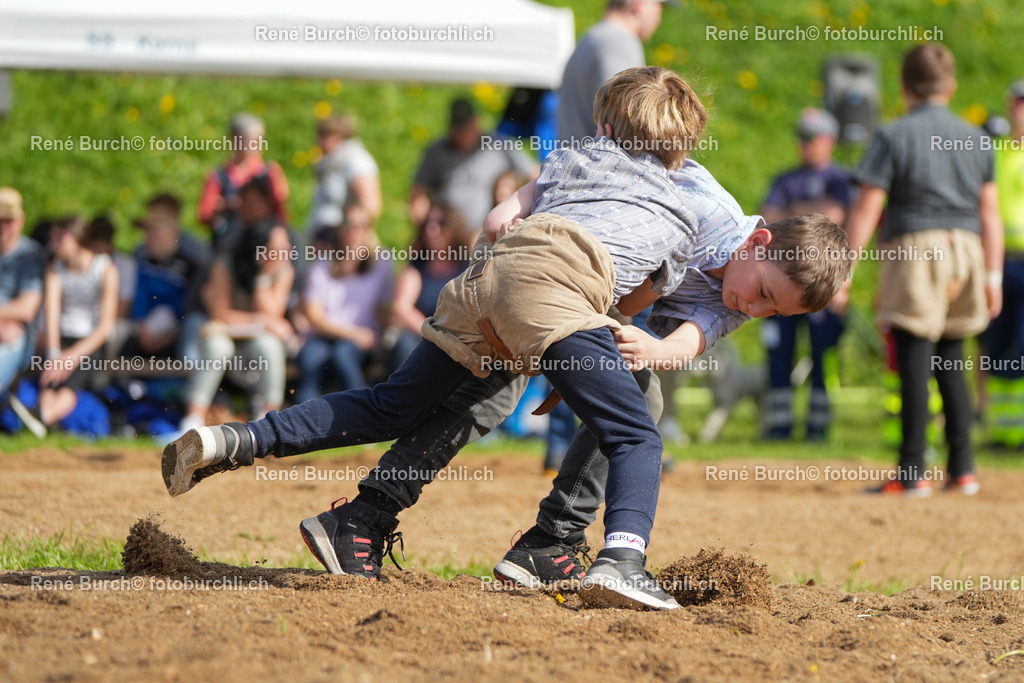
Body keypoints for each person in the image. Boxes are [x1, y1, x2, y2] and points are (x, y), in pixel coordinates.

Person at [164, 67, 851, 611]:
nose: (750, 307)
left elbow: (683, 328)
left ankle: (262, 457)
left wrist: (583, 349)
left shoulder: (601, 168)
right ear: (757, 241)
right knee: (636, 424)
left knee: (400, 401)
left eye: (769, 312)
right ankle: (599, 553)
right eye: (760, 292)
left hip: (501, 280)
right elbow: (625, 279)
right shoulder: (693, 202)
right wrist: (579, 350)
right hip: (562, 288)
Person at [836, 44, 1004, 497]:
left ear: (904, 87)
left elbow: (869, 206)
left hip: (915, 250)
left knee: (913, 361)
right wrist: (992, 274)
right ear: (950, 87)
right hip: (967, 249)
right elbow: (990, 213)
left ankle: (912, 474)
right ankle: (963, 470)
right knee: (953, 359)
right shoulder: (976, 137)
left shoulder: (894, 135)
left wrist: (845, 270)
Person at [761, 108, 856, 441]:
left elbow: (846, 219)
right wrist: (816, 213)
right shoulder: (784, 180)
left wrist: (793, 214)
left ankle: (819, 425)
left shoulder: (843, 180)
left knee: (822, 354)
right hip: (781, 283)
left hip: (824, 285)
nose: (804, 144)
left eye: (811, 138)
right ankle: (779, 424)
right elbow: (769, 218)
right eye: (800, 137)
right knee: (779, 353)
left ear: (829, 141)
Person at [177, 220, 295, 431]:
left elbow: (275, 313)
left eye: (286, 247)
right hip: (223, 332)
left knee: (268, 346)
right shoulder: (225, 264)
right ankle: (193, 418)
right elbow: (220, 314)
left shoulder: (283, 270)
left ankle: (269, 419)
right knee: (218, 347)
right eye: (278, 248)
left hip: (254, 340)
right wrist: (262, 321)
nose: (285, 252)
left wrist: (262, 278)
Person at [296, 206, 392, 403]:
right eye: (349, 224)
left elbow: (383, 309)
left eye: (361, 226)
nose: (354, 231)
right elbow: (314, 316)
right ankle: (304, 422)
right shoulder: (322, 264)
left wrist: (381, 342)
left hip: (362, 340)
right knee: (312, 360)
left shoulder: (381, 263)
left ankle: (365, 412)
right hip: (326, 336)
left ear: (368, 230)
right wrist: (353, 333)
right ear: (339, 228)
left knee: (343, 356)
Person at [35, 216, 119, 431]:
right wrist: (54, 354)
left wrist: (72, 357)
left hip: (90, 342)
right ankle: (43, 418)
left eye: (59, 239)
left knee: (71, 384)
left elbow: (105, 327)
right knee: (50, 379)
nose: (54, 245)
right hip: (62, 337)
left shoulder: (105, 269)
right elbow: (51, 315)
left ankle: (42, 418)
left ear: (77, 238)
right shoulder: (55, 268)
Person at [409, 97, 538, 230]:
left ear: (477, 122)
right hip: (448, 236)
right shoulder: (436, 151)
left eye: (467, 127)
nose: (464, 134)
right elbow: (418, 194)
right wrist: (426, 230)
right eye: (459, 129)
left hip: (492, 230)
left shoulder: (500, 144)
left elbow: (534, 174)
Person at [557, 0, 667, 143]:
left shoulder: (591, 38)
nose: (659, 20)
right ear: (640, 5)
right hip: (604, 162)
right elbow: (626, 116)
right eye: (660, 7)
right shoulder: (619, 41)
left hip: (578, 159)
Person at [982, 81, 1024, 448]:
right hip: (999, 261)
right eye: (1018, 103)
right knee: (995, 346)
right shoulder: (994, 152)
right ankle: (1001, 430)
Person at [120, 195, 209, 362]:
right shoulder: (140, 256)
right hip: (142, 333)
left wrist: (173, 334)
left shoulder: (195, 260)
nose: (149, 237)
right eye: (147, 231)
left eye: (155, 232)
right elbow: (137, 298)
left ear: (173, 231)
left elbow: (194, 305)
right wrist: (142, 329)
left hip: (177, 333)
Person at [389, 202, 473, 369]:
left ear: (454, 228)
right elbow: (401, 307)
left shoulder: (468, 266)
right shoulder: (418, 265)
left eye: (440, 224)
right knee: (405, 345)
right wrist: (437, 337)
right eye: (428, 224)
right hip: (419, 337)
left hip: (459, 340)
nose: (432, 230)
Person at [198, 113, 289, 251]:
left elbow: (280, 213)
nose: (259, 145)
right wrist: (223, 207)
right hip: (228, 245)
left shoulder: (270, 173)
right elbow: (205, 215)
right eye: (252, 140)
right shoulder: (218, 175)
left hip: (262, 244)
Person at [0, 188, 45, 432]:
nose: (3, 227)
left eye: (8, 221)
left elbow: (27, 308)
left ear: (21, 221)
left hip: (17, 340)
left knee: (12, 335)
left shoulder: (29, 254)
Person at [309, 114, 381, 231]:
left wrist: (344, 230)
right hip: (323, 240)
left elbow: (370, 208)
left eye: (323, 134)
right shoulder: (330, 162)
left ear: (339, 136)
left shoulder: (357, 162)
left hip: (340, 243)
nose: (318, 140)